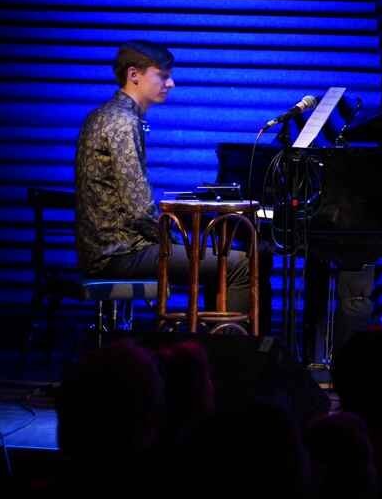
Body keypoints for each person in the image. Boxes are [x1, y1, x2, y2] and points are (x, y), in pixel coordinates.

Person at [76, 41, 252, 311]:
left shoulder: (102, 115)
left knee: (212, 258)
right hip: (121, 254)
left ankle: (207, 341)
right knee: (239, 265)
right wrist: (173, 238)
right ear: (134, 75)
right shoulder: (123, 122)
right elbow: (138, 210)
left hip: (104, 250)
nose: (171, 84)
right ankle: (228, 350)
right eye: (163, 75)